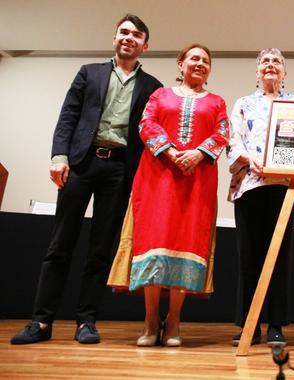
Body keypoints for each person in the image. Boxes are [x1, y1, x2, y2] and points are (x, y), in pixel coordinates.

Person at [10, 14, 162, 345]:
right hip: (81, 163)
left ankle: (86, 321)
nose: (129, 38)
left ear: (145, 45)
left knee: (100, 249)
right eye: (124, 32)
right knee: (60, 244)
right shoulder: (89, 73)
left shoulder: (153, 87)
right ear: (114, 37)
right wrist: (59, 157)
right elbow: (68, 116)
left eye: (136, 35)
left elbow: (152, 135)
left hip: (121, 171)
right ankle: (41, 321)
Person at [107, 44, 228, 347]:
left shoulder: (216, 102)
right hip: (157, 178)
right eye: (194, 58)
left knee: (185, 243)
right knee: (155, 242)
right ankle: (150, 321)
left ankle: (173, 321)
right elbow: (146, 124)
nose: (200, 64)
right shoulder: (160, 96)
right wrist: (172, 151)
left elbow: (222, 132)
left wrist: (198, 154)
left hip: (196, 182)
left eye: (205, 60)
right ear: (180, 64)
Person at [228, 48, 294, 347]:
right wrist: (250, 160)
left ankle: (276, 325)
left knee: (280, 256)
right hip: (249, 185)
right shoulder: (244, 104)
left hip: (285, 187)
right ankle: (249, 324)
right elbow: (232, 139)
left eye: (276, 62)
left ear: (285, 72)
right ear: (257, 71)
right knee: (248, 257)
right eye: (265, 62)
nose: (270, 66)